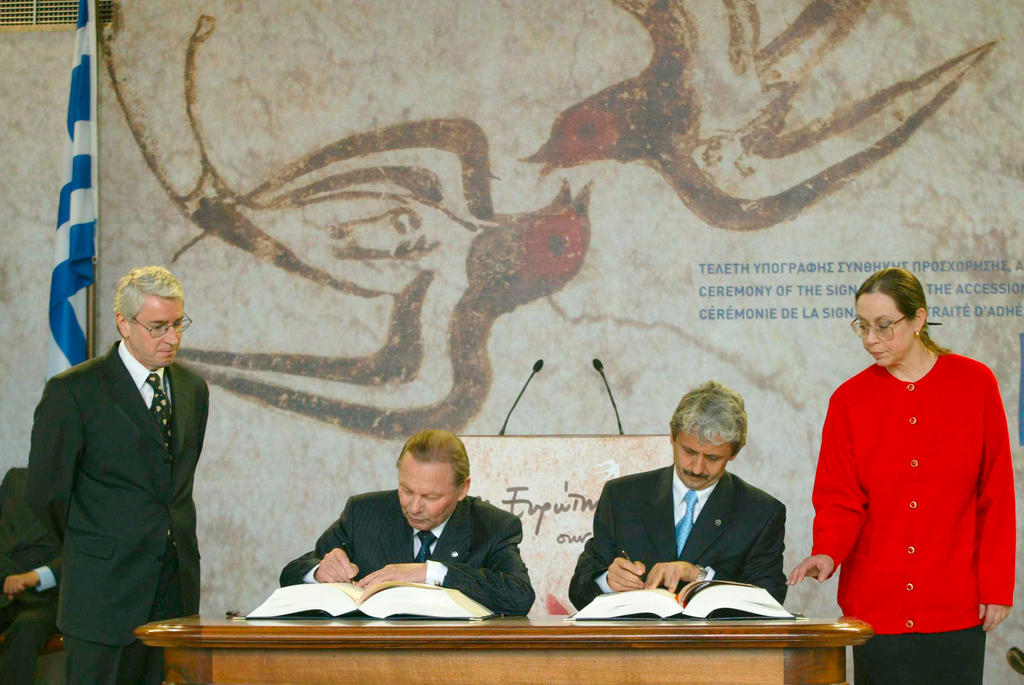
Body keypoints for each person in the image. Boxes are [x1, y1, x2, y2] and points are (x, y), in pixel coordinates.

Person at [788, 267, 1015, 685]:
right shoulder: (848, 401)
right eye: (862, 326)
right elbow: (840, 498)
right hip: (878, 608)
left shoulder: (975, 383)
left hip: (955, 603)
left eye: (883, 326)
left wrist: (997, 586)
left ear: (918, 319)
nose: (870, 339)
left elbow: (995, 494)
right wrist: (827, 551)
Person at [27, 266, 209, 685]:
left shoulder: (192, 388)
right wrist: (98, 545)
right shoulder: (74, 392)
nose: (173, 338)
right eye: (158, 326)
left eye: (178, 323)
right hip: (102, 597)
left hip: (174, 594)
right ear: (123, 323)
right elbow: (45, 495)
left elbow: (175, 482)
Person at [569, 381, 787, 610]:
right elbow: (579, 588)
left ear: (734, 453)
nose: (697, 468)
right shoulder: (621, 496)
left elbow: (771, 597)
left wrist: (700, 577)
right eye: (689, 451)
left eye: (712, 458)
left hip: (716, 645)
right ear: (672, 435)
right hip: (635, 642)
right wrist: (608, 581)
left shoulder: (761, 512)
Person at [280, 429, 535, 615]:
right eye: (407, 490)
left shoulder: (493, 526)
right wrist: (318, 571)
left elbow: (519, 596)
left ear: (462, 489)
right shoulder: (364, 513)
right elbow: (292, 572)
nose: (414, 507)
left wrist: (430, 573)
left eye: (430, 497)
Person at [0, 468, 60, 685]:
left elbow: (80, 555)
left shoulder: (84, 493)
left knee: (27, 626)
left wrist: (34, 577)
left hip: (49, 599)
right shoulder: (15, 479)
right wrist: (8, 577)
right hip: (5, 589)